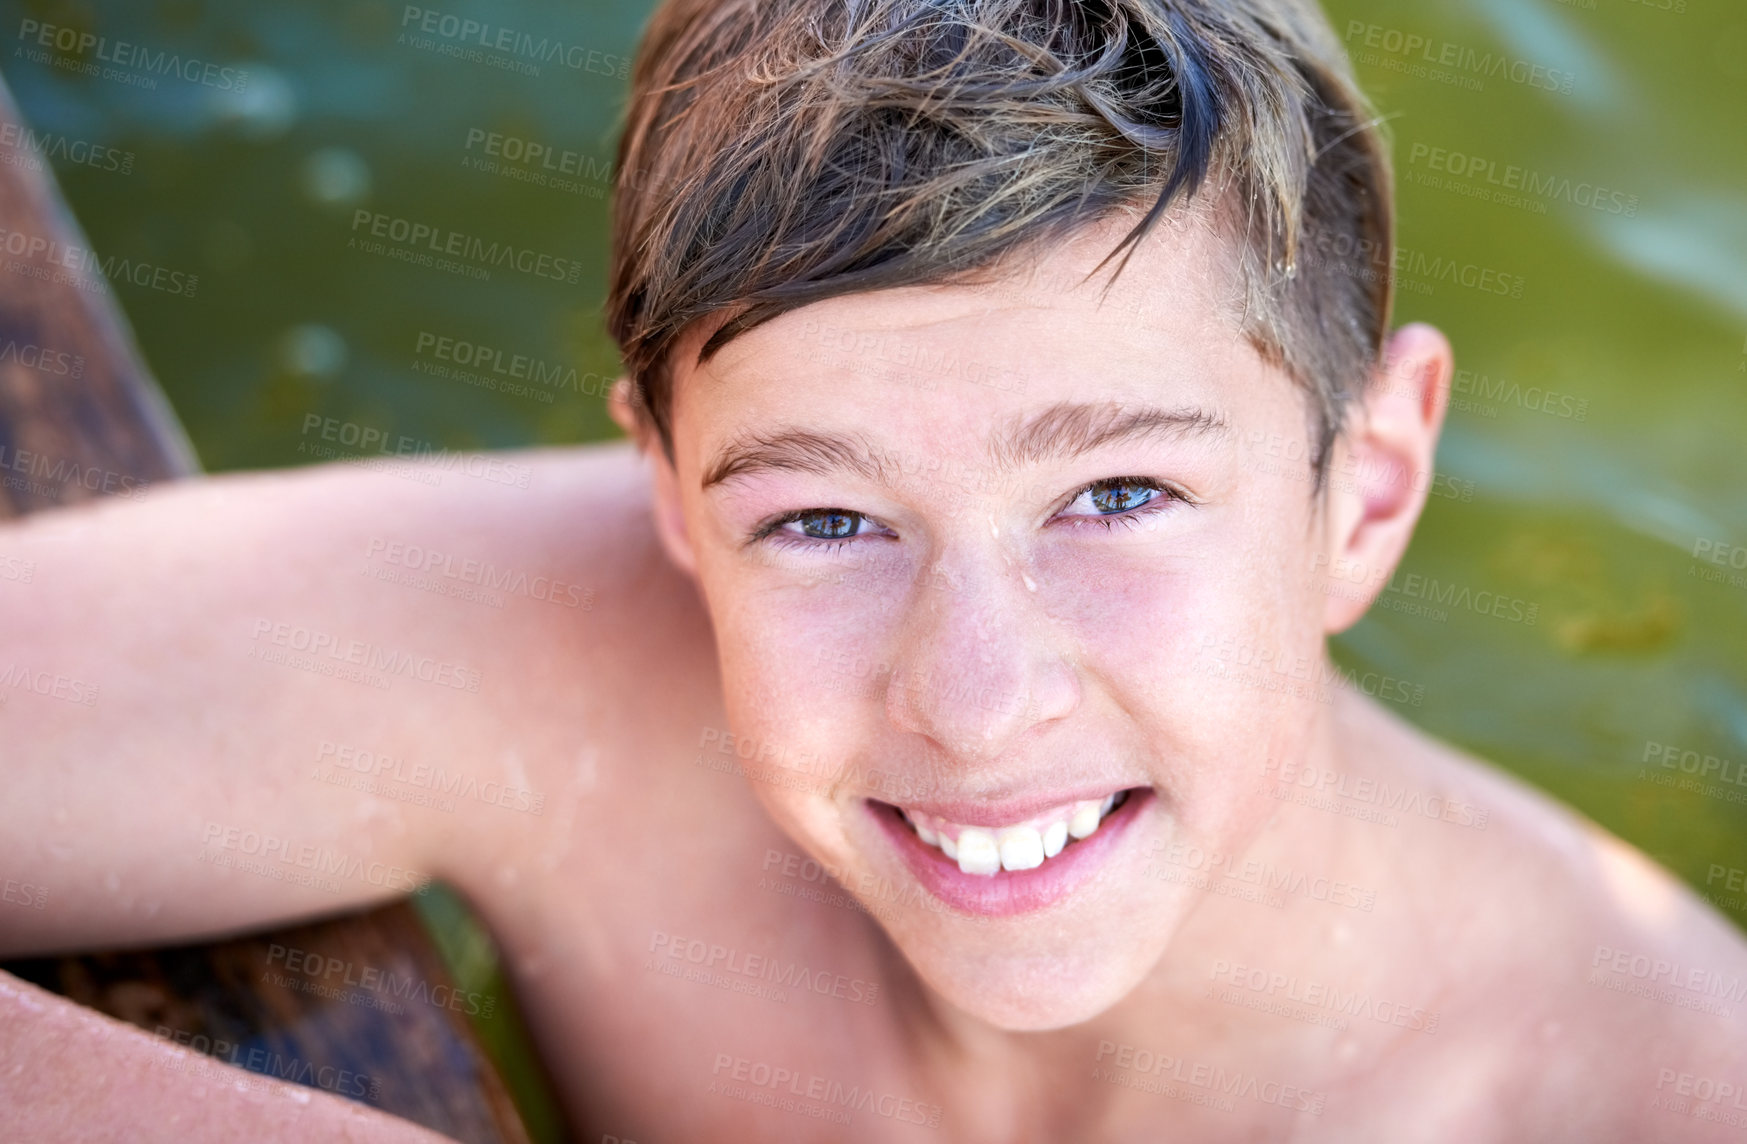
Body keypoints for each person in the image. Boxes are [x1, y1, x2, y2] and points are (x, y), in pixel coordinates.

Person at [3, 0, 1744, 1138]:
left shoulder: (1653, 1095)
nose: (976, 705)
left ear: (1365, 488)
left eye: (1118, 495)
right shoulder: (569, 649)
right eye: (822, 520)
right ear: (673, 498)